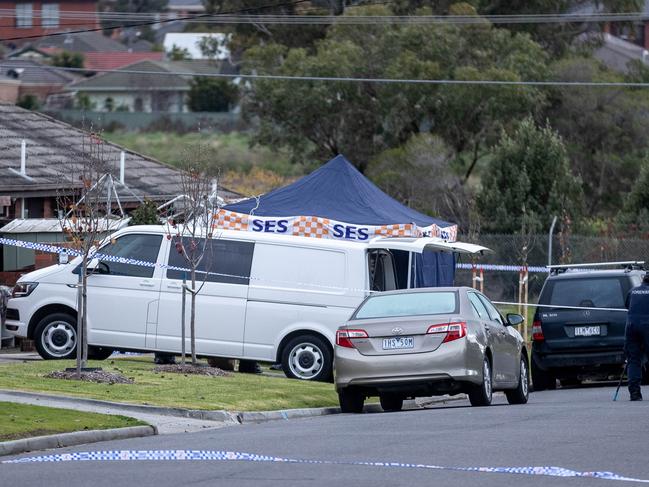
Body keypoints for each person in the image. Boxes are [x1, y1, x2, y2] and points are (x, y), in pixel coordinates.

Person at [624, 272, 649, 401]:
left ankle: (635, 393)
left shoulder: (633, 291)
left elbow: (627, 306)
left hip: (631, 327)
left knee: (634, 360)